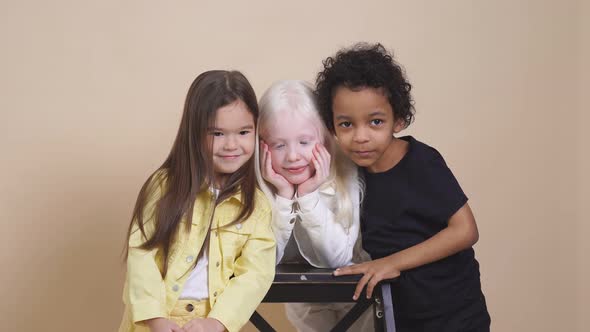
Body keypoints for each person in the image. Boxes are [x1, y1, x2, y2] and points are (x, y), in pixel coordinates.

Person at [316, 43, 491, 332]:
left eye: (375, 122)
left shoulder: (422, 162)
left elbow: (466, 230)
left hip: (455, 315)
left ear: (398, 119)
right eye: (346, 124)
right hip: (401, 317)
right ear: (332, 127)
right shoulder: (347, 174)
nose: (361, 137)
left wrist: (391, 262)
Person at [119, 70, 276, 332]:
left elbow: (255, 275)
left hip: (211, 321)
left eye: (243, 132)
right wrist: (156, 319)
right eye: (217, 134)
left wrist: (217, 322)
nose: (231, 145)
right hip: (155, 319)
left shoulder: (256, 205)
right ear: (194, 133)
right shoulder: (164, 186)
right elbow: (142, 256)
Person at [255, 80, 372, 331]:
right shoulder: (260, 186)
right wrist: (285, 199)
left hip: (356, 296)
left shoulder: (345, 172)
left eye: (305, 142)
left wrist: (308, 197)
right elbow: (264, 260)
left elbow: (338, 258)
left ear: (325, 139)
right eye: (279, 145)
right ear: (262, 145)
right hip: (304, 298)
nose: (293, 156)